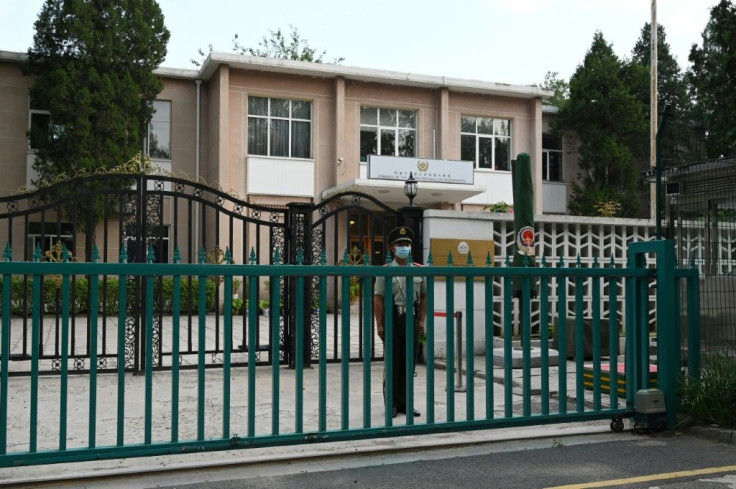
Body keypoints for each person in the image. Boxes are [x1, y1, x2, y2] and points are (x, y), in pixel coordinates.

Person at [373, 226, 427, 418]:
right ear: (392, 248)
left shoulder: (419, 270)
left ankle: (406, 403)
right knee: (393, 362)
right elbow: (378, 298)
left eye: (407, 244)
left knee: (408, 363)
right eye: (401, 244)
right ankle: (392, 404)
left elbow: (424, 296)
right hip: (392, 319)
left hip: (411, 319)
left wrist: (421, 321)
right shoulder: (385, 271)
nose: (405, 247)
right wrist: (379, 324)